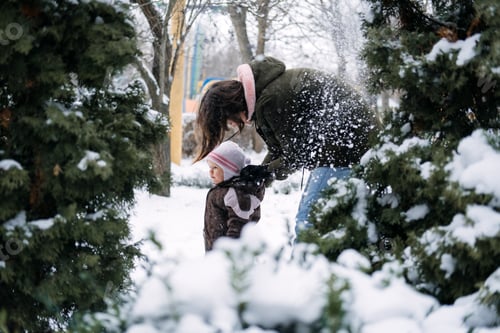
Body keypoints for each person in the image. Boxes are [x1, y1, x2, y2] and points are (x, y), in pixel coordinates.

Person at [195, 56, 379, 242]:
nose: (233, 126)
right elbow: (281, 150)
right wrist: (256, 180)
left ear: (232, 107)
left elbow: (296, 156)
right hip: (342, 147)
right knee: (327, 221)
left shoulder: (271, 99)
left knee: (309, 222)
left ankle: (303, 269)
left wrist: (264, 173)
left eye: (229, 121)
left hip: (347, 148)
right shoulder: (265, 94)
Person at [203, 141, 269, 252]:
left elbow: (239, 225)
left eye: (215, 168)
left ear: (229, 171)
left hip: (227, 254)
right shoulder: (223, 189)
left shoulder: (235, 194)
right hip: (215, 248)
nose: (210, 172)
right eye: (210, 167)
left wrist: (230, 251)